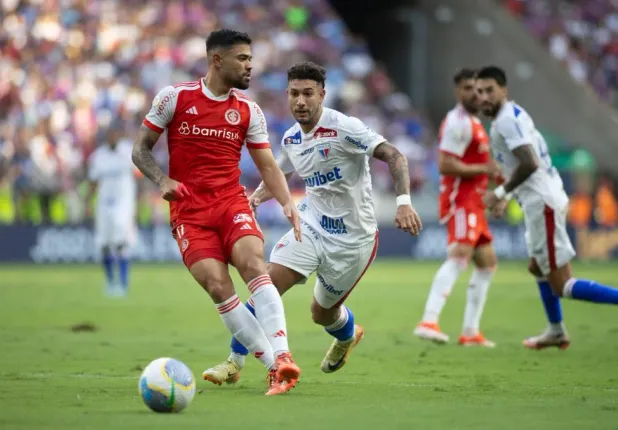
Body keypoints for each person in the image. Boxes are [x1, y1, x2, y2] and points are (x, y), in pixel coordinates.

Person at [201, 61, 422, 386]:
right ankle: (235, 361)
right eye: (294, 94)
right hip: (310, 227)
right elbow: (278, 173)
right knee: (266, 284)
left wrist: (404, 203)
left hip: (353, 241)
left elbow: (395, 156)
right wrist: (256, 199)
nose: (300, 101)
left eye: (307, 93)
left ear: (322, 94)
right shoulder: (292, 138)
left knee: (322, 314)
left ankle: (347, 334)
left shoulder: (346, 127)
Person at [131, 29, 301, 395]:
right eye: (243, 58)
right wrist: (161, 180)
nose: (250, 66)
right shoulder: (174, 98)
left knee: (254, 265)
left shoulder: (247, 110)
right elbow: (140, 150)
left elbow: (268, 165)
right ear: (217, 60)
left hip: (230, 203)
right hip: (189, 212)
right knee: (217, 285)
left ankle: (284, 355)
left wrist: (287, 203)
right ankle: (275, 368)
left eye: (251, 59)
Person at [476, 65, 618, 350]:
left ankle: (559, 328)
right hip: (542, 199)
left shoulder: (505, 121)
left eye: (490, 90)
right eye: (480, 92)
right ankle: (555, 331)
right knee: (537, 268)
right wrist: (507, 195)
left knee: (562, 284)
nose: (484, 97)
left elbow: (530, 162)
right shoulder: (512, 114)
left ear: (504, 89)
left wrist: (500, 192)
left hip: (542, 203)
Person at [414, 68, 500, 347]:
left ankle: (471, 331)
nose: (473, 94)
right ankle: (428, 320)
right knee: (459, 256)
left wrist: (491, 188)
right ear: (457, 91)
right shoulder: (456, 122)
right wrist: (483, 169)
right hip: (460, 200)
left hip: (475, 200)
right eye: (466, 88)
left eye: (477, 89)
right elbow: (445, 164)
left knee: (486, 263)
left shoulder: (474, 121)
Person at [86, 127, 137, 297]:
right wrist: (87, 201)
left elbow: (140, 171)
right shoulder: (98, 157)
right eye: (110, 135)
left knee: (121, 242)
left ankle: (123, 284)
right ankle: (110, 282)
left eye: (115, 134)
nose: (113, 138)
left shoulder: (128, 151)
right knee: (105, 245)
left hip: (124, 204)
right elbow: (93, 181)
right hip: (104, 204)